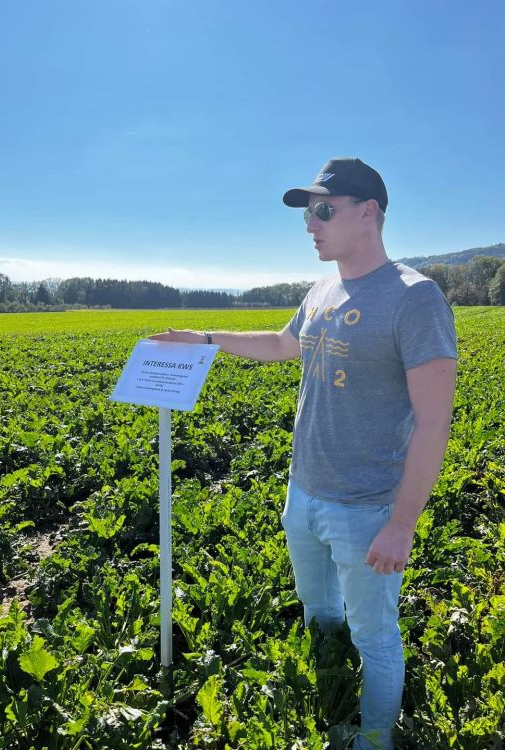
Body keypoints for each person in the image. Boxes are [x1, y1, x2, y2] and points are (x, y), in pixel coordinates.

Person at [149, 157, 457, 749]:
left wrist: (401, 523)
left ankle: (373, 738)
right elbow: (284, 343)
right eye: (308, 212)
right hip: (305, 492)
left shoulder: (415, 298)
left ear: (368, 213)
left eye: (323, 210)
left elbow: (434, 422)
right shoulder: (322, 287)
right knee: (319, 611)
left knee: (375, 636)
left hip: (367, 508)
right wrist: (206, 340)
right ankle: (329, 692)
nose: (310, 224)